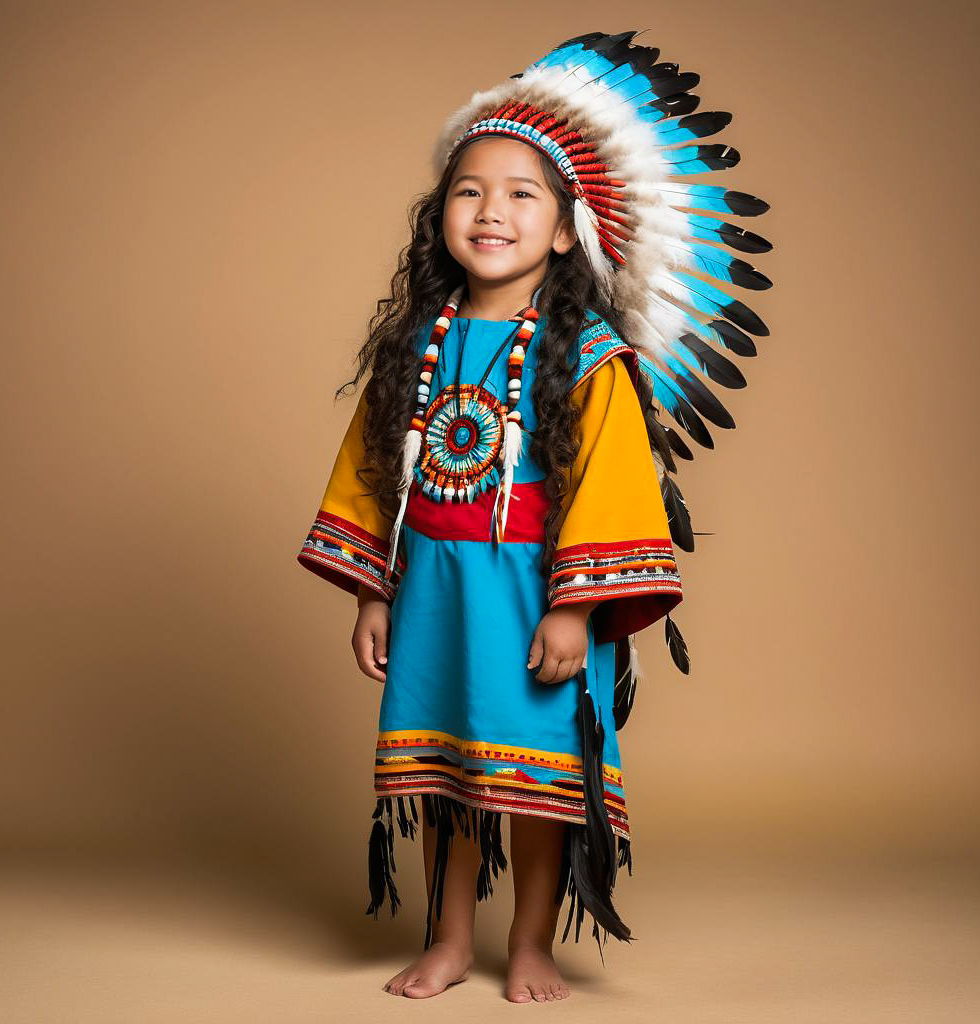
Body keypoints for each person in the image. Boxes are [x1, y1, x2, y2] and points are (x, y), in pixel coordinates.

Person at [297, 31, 772, 1002]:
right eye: (468, 190)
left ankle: (527, 947)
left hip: (534, 594)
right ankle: (446, 938)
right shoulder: (412, 347)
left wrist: (573, 610)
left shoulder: (589, 358)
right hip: (432, 586)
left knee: (538, 785)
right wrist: (371, 595)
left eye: (521, 194)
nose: (491, 210)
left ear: (565, 229)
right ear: (438, 219)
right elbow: (372, 476)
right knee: (445, 777)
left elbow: (612, 486)